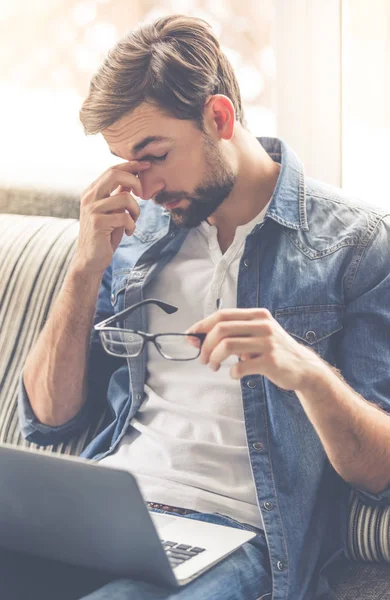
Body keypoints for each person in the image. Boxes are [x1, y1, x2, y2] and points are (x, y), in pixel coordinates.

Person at [13, 13, 390, 600]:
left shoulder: (356, 246)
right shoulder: (136, 237)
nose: (144, 187)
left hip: (235, 535)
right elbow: (50, 418)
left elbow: (380, 472)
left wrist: (307, 372)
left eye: (155, 155)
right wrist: (84, 268)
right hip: (109, 511)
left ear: (218, 117)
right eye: (128, 165)